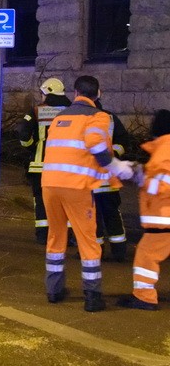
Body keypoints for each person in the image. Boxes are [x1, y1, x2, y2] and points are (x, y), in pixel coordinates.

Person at [40, 75, 134, 312]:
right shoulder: (98, 116)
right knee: (88, 241)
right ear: (98, 94)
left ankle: (54, 291)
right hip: (76, 187)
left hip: (50, 184)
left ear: (75, 93)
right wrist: (116, 167)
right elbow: (95, 143)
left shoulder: (59, 117)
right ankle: (92, 297)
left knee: (56, 236)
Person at [119, 110, 170, 310]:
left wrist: (142, 178)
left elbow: (165, 183)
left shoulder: (165, 149)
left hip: (164, 218)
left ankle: (144, 297)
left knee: (145, 256)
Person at [16, 77, 72, 244]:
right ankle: (67, 237)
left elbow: (23, 134)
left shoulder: (36, 111)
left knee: (41, 201)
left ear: (47, 92)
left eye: (42, 94)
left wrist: (33, 148)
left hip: (41, 166)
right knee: (66, 202)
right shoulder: (72, 111)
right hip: (66, 167)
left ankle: (43, 235)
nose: (41, 97)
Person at [93, 97, 131, 262]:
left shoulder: (79, 118)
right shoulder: (110, 117)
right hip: (108, 178)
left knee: (93, 218)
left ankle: (96, 252)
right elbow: (123, 141)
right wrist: (113, 153)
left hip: (89, 180)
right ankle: (119, 251)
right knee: (112, 214)